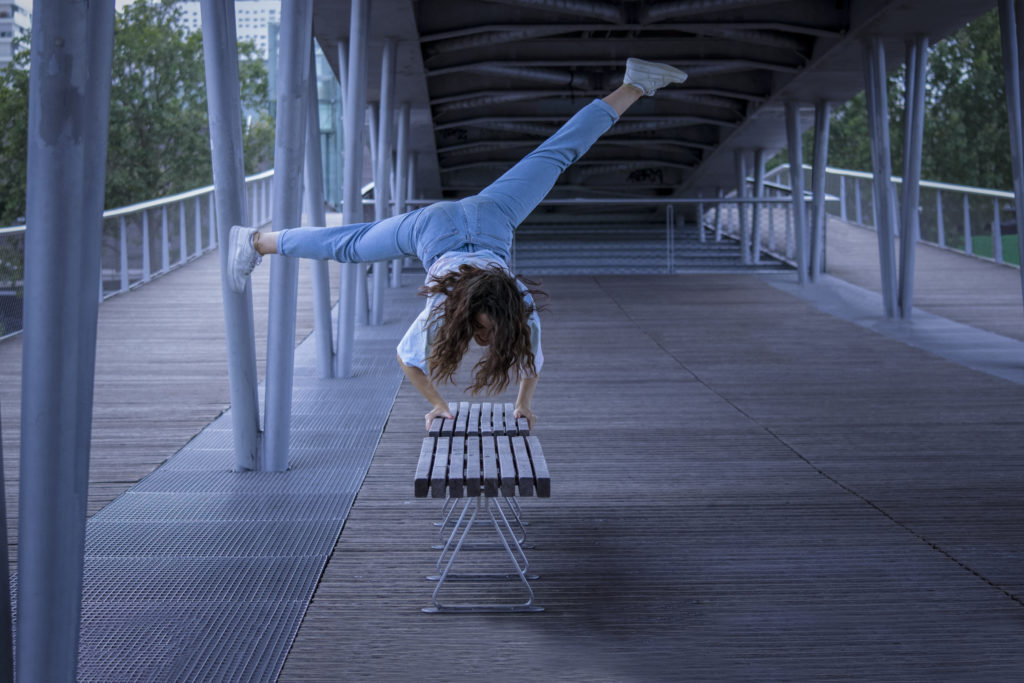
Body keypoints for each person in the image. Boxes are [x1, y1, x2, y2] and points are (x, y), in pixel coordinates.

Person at [227, 58, 688, 431]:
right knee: (348, 245)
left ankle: (634, 85)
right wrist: (438, 407)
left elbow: (531, 365)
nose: (484, 339)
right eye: (484, 331)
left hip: (489, 218)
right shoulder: (444, 309)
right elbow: (408, 361)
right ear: (465, 310)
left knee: (555, 154)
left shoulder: (517, 308)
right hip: (440, 229)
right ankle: (256, 241)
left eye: (487, 332)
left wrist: (523, 405)